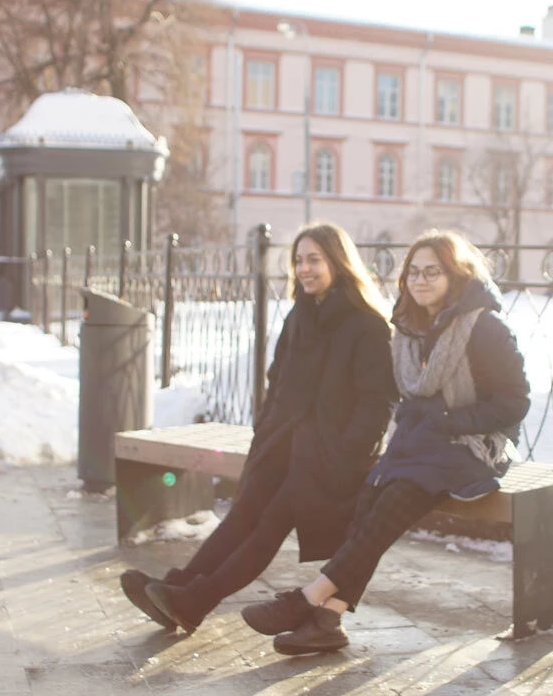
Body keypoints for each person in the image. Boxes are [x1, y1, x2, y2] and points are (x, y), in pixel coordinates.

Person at [252, 230, 529, 655]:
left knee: (395, 499)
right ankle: (328, 619)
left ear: (456, 274)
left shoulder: (485, 327)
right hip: (426, 441)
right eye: (413, 272)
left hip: (476, 445)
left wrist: (450, 420)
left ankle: (309, 598)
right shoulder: (410, 329)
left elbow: (515, 403)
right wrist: (432, 423)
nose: (420, 281)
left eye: (432, 272)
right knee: (370, 498)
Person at [126, 223, 396, 634]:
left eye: (314, 260)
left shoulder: (367, 324)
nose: (304, 269)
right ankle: (177, 587)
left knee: (269, 524)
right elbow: (277, 379)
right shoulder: (301, 315)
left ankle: (195, 601)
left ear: (338, 262)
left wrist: (345, 453)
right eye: (299, 261)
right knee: (242, 516)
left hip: (329, 456)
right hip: (283, 442)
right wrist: (266, 429)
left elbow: (378, 403)